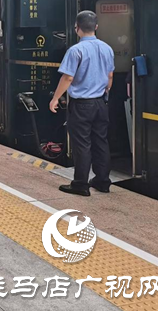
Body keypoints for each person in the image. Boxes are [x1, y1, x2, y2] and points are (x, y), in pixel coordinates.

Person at [50, 10, 115, 196]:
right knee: (101, 142)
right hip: (100, 103)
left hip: (81, 105)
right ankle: (102, 181)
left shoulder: (75, 50)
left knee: (82, 144)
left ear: (76, 28)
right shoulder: (107, 48)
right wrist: (104, 91)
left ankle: (80, 184)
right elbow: (110, 76)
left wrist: (55, 98)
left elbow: (68, 78)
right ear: (96, 27)